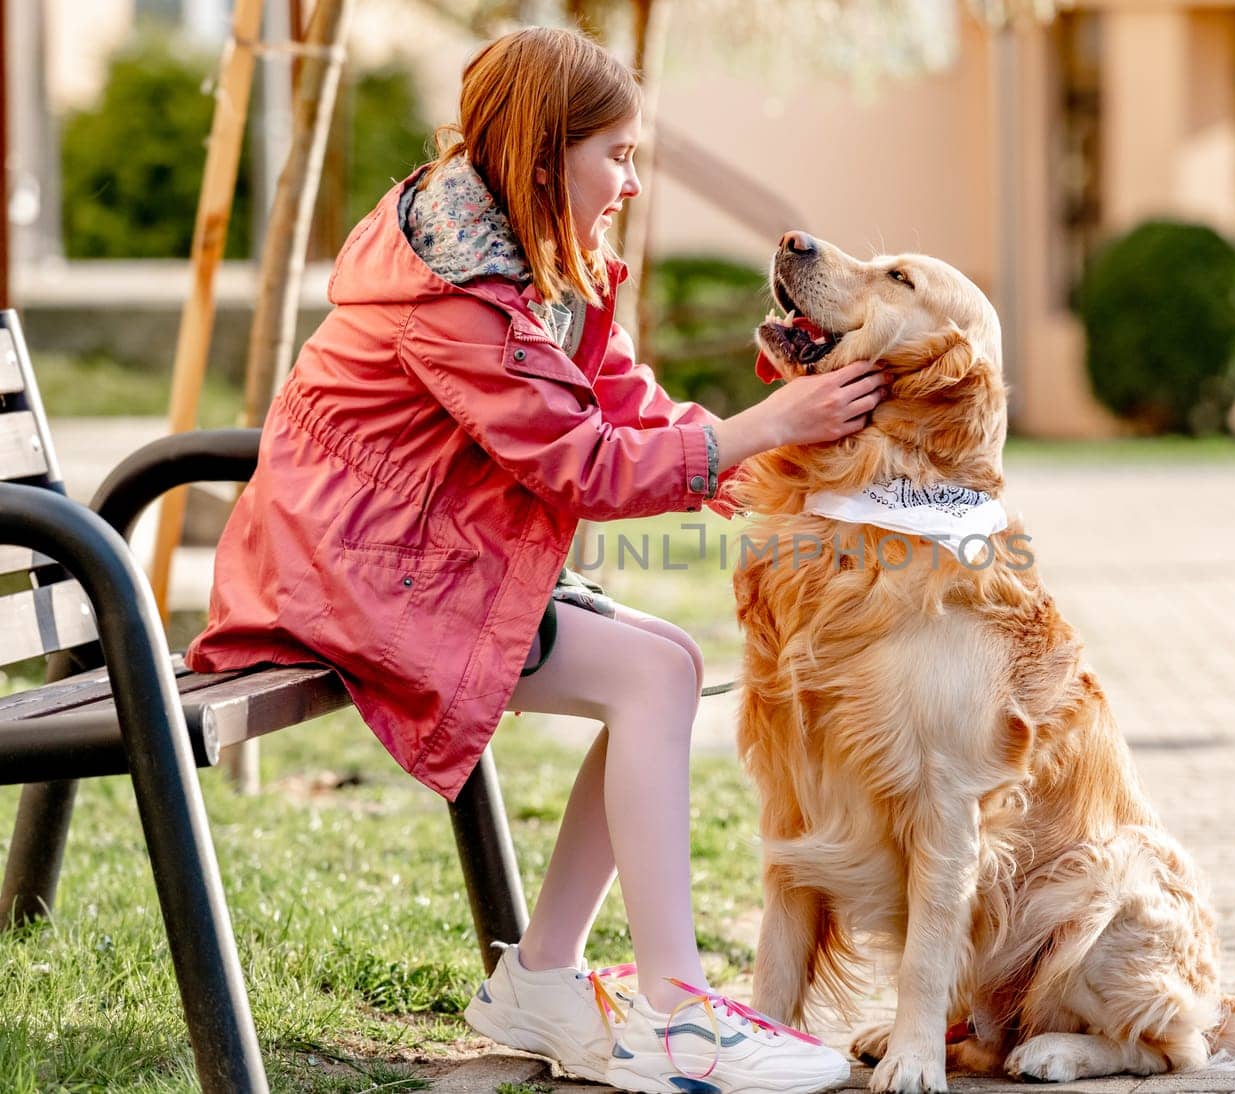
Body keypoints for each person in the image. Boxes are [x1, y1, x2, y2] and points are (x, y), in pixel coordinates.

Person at [187, 25, 888, 1094]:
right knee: (655, 671)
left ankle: (547, 974)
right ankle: (671, 1010)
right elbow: (583, 464)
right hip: (357, 580)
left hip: (410, 559)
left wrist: (759, 469)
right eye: (619, 155)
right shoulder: (456, 294)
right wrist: (759, 425)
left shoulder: (541, 257)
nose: (634, 183)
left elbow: (615, 398)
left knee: (663, 659)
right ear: (543, 153)